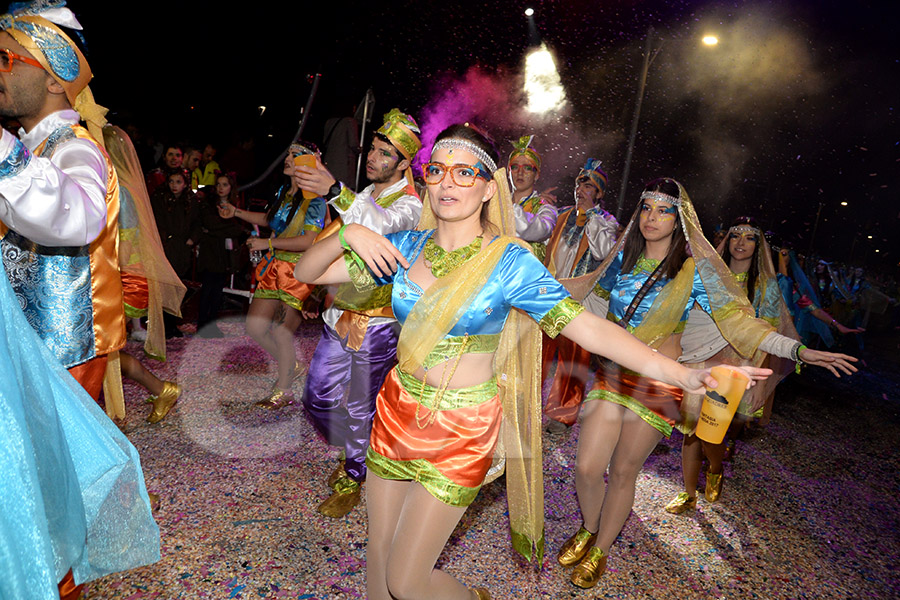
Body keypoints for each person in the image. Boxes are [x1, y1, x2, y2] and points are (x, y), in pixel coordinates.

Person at [293, 124, 771, 600]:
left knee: (407, 581)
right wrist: (351, 232)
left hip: (461, 428)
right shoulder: (407, 247)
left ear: (487, 187)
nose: (447, 183)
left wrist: (684, 374)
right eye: (437, 171)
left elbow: (590, 329)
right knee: (378, 562)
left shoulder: (509, 262)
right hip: (397, 412)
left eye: (465, 173)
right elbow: (307, 272)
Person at [558, 179, 857, 589]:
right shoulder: (621, 262)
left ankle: (601, 550)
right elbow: (585, 298)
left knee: (624, 471)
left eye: (664, 210)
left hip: (660, 384)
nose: (652, 217)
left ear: (680, 219)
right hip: (612, 375)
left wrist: (799, 351)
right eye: (646, 208)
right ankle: (589, 526)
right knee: (587, 467)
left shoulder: (693, 270)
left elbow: (739, 321)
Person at [0, 4, 142, 596]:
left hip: (61, 354)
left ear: (56, 77)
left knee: (48, 502)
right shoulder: (33, 146)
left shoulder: (75, 149)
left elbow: (79, 217)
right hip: (25, 356)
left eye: (8, 59)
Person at [293, 109, 422, 518]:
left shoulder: (412, 206)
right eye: (373, 149)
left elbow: (378, 226)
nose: (373, 157)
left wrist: (335, 190)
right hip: (339, 318)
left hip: (379, 325)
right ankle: (360, 448)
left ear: (404, 164)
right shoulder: (365, 194)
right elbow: (342, 233)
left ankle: (355, 472)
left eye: (386, 154)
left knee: (360, 407)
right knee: (316, 398)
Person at [666, 217, 800, 514]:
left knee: (709, 433)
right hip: (700, 359)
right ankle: (688, 493)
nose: (741, 243)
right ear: (726, 240)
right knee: (690, 430)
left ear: (758, 246)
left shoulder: (765, 285)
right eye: (735, 235)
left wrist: (759, 385)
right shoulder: (708, 275)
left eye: (749, 238)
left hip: (736, 366)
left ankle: (715, 466)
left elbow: (767, 335)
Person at [217, 146, 325, 395]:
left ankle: (284, 391)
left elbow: (308, 241)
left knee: (281, 332)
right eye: (287, 154)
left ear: (309, 162)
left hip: (300, 272)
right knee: (255, 328)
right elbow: (270, 219)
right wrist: (236, 212)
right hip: (274, 268)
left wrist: (268, 243)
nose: (286, 160)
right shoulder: (284, 192)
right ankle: (292, 366)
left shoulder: (316, 201)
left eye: (294, 156)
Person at [542, 158, 618, 433]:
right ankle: (522, 405)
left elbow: (602, 252)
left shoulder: (607, 222)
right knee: (536, 353)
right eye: (578, 184)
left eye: (589, 186)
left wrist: (591, 216)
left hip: (580, 301)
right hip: (548, 293)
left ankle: (561, 416)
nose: (581, 189)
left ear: (599, 193)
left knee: (573, 360)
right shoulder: (561, 215)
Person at [195, 172, 249, 337]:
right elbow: (211, 223)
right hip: (210, 252)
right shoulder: (209, 204)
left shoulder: (235, 205)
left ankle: (211, 324)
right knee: (208, 289)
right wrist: (233, 229)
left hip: (226, 253)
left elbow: (231, 228)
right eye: (218, 184)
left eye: (224, 185)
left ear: (231, 187)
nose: (220, 188)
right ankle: (203, 325)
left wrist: (222, 229)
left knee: (217, 291)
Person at [508, 135, 558, 261]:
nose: (520, 173)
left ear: (536, 175)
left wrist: (506, 206)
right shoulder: (493, 203)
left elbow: (539, 230)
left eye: (527, 168)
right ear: (508, 172)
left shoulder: (546, 208)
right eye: (515, 167)